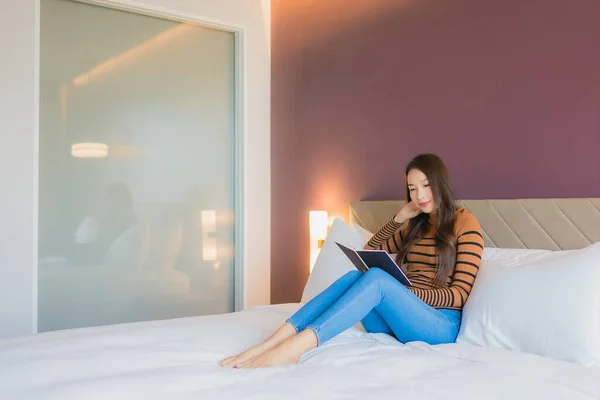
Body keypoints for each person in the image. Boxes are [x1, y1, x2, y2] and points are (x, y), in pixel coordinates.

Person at [220, 153, 484, 369]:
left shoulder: (465, 223)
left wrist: (407, 294)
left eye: (426, 185)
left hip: (438, 325)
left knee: (378, 281)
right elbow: (371, 248)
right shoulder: (416, 225)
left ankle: (297, 347)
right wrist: (399, 218)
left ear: (440, 183)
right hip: (400, 322)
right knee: (356, 277)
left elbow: (459, 295)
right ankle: (271, 343)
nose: (419, 195)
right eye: (412, 189)